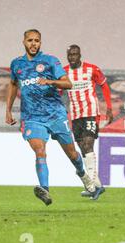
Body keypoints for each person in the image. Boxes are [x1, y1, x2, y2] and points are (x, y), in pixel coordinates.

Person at [6, 29, 103, 205]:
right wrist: (8, 110)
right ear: (24, 42)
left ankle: (83, 175)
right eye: (30, 40)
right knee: (40, 150)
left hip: (55, 115)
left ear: (40, 43)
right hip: (32, 117)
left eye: (37, 40)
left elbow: (68, 83)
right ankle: (45, 189)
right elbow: (13, 85)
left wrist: (50, 81)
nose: (33, 43)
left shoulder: (50, 61)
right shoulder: (16, 64)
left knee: (72, 154)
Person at [63, 44, 113, 197]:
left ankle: (92, 185)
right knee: (83, 149)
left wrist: (109, 108)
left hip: (91, 112)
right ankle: (97, 185)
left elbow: (104, 86)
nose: (73, 57)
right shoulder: (63, 72)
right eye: (70, 55)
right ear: (67, 56)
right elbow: (58, 91)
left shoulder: (92, 69)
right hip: (76, 115)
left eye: (75, 54)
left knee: (88, 144)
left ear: (80, 55)